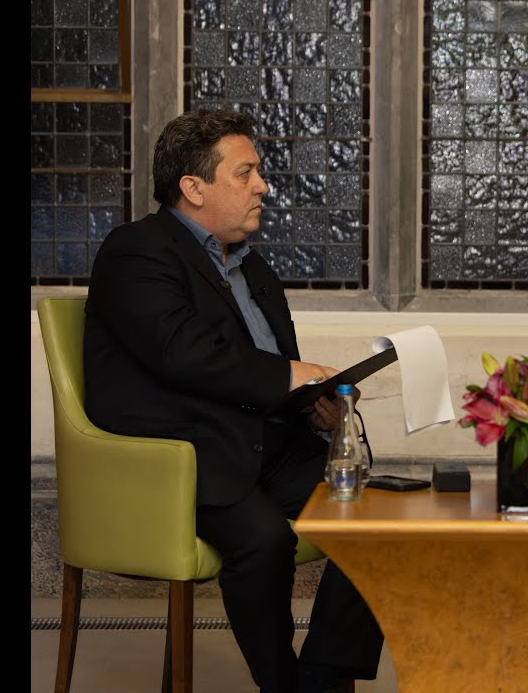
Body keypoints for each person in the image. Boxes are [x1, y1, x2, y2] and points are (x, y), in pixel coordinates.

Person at [82, 107, 384, 693]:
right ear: (193, 188)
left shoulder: (253, 267)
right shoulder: (136, 251)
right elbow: (183, 353)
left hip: (268, 445)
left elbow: (266, 372)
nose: (262, 186)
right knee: (265, 540)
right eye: (246, 173)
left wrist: (314, 405)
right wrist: (290, 374)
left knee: (379, 518)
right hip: (185, 459)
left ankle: (319, 679)